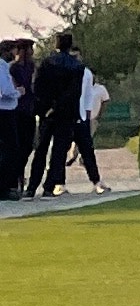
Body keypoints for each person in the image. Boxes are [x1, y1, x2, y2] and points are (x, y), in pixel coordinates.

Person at [26, 38, 85, 199]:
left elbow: (37, 86)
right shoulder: (76, 66)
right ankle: (49, 186)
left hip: (47, 112)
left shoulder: (47, 63)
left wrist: (43, 107)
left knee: (41, 149)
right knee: (59, 152)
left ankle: (32, 186)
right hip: (66, 113)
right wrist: (59, 106)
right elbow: (74, 93)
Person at [0, 40, 32, 200]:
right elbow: (5, 90)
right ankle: (5, 186)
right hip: (5, 111)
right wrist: (18, 92)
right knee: (10, 149)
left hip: (8, 111)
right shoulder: (3, 67)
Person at [71, 58, 107, 193]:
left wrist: (90, 115)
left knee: (87, 147)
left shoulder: (90, 79)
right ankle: (56, 181)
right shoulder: (70, 76)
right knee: (63, 147)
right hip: (70, 117)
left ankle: (96, 180)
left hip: (86, 118)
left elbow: (90, 99)